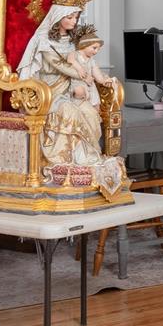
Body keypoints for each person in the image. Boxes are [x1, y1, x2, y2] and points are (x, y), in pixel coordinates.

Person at [39, 25, 127, 198]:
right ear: (84, 45)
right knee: (77, 112)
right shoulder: (74, 54)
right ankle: (80, 155)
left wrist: (106, 80)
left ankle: (92, 151)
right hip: (74, 91)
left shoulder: (92, 61)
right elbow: (69, 65)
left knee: (93, 116)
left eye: (97, 49)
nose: (95, 51)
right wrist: (80, 72)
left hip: (89, 91)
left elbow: (98, 76)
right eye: (93, 48)